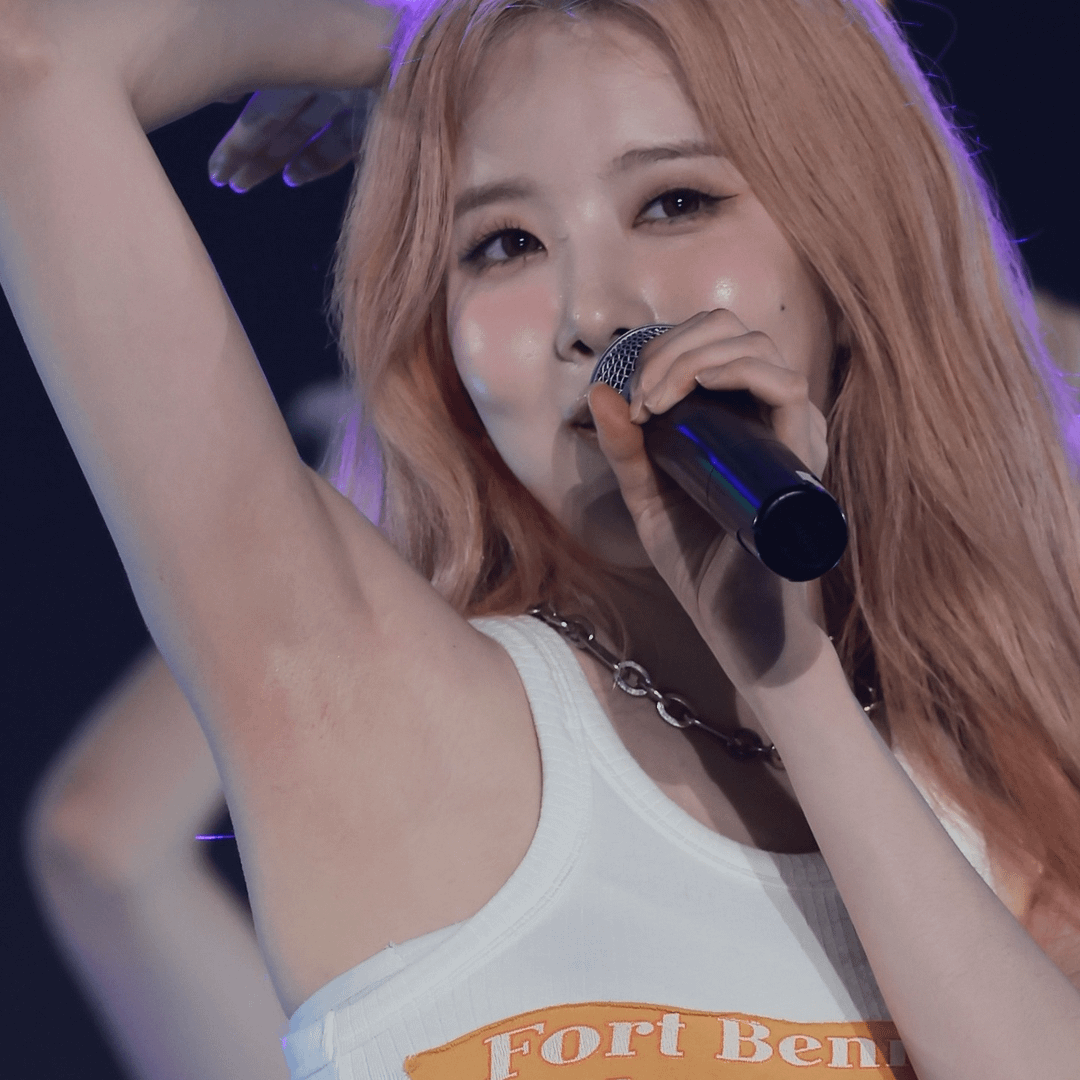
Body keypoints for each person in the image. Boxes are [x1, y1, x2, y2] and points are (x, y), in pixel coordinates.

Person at [7, 0, 1080, 1078]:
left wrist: (795, 687)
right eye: (505, 243)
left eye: (676, 202)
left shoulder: (1017, 779)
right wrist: (411, 32)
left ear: (846, 257)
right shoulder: (376, 715)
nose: (595, 314)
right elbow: (28, 60)